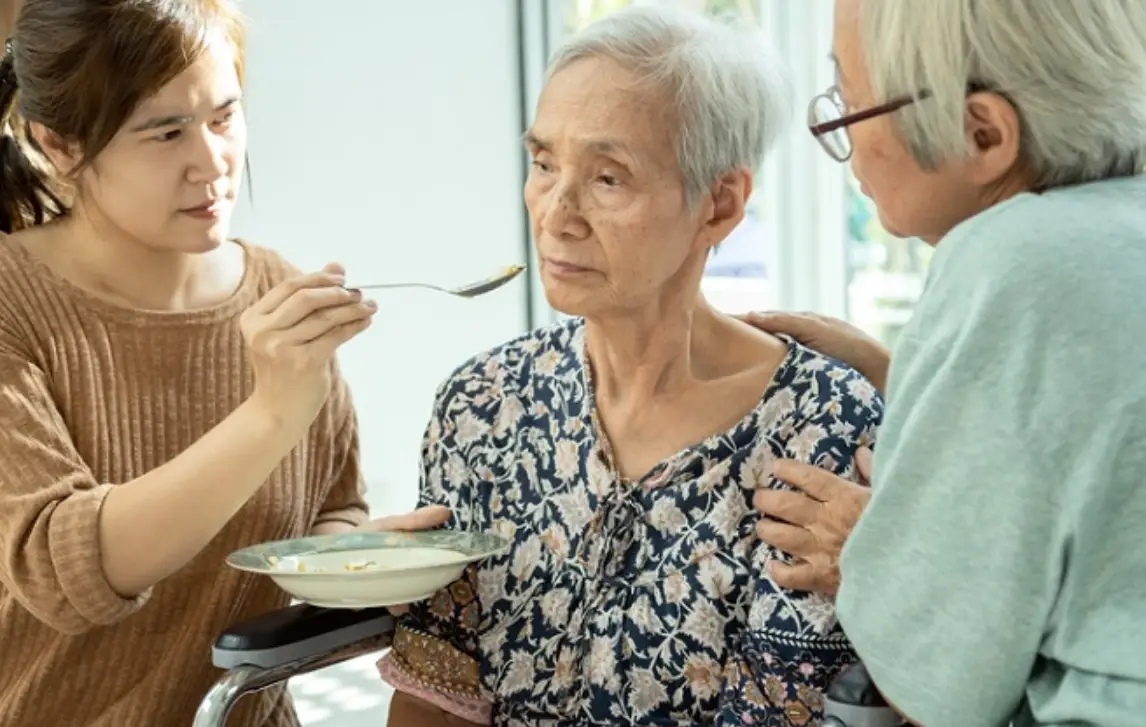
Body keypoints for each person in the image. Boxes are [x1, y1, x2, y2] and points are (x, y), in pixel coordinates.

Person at [376, 7, 884, 726]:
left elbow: (780, 708)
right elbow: (437, 691)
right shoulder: (482, 403)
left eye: (609, 178)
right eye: (544, 162)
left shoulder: (819, 427)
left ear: (721, 203)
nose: (556, 212)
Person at [0, 2, 446, 725]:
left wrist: (363, 559)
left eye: (224, 117)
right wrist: (270, 412)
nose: (212, 162)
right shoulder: (12, 304)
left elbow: (326, 510)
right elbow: (61, 567)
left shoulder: (275, 295)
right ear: (59, 144)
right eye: (165, 132)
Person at [747, 1, 1146, 725]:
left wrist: (875, 555)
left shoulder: (1013, 261)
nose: (846, 144)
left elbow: (937, 690)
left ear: (982, 131)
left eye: (849, 106)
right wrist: (899, 371)